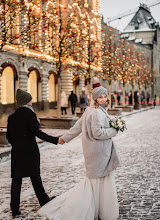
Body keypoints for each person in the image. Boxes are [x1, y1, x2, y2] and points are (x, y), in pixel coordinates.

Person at [38, 86, 121, 220]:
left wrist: (64, 138)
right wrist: (114, 131)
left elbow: (77, 127)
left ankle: (96, 207)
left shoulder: (90, 110)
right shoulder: (96, 113)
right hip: (99, 153)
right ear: (95, 98)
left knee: (96, 181)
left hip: (93, 153)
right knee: (99, 180)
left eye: (105, 96)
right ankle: (98, 209)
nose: (103, 99)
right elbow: (98, 133)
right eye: (100, 97)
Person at [6, 89, 59, 219]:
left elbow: (8, 137)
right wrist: (55, 140)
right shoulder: (30, 115)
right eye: (30, 99)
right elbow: (38, 133)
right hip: (30, 152)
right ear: (26, 101)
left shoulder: (11, 117)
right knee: (35, 177)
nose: (32, 101)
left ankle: (15, 209)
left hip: (17, 153)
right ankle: (43, 200)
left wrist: (17, 145)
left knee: (16, 181)